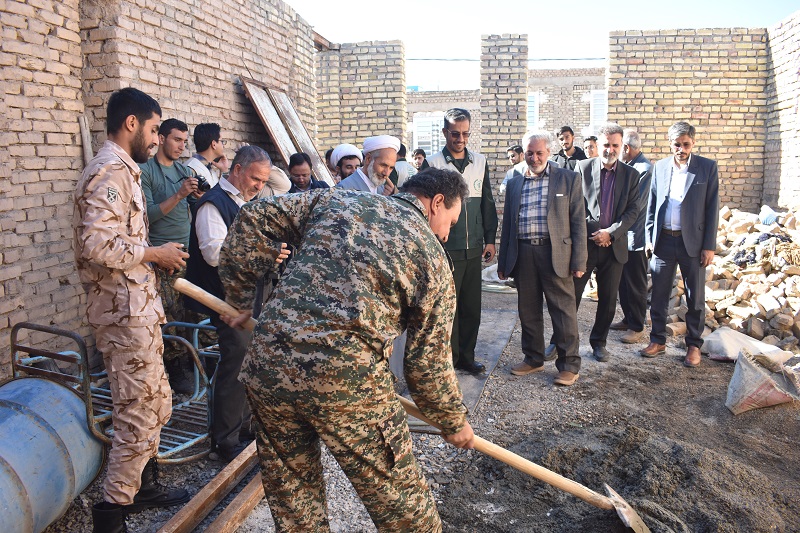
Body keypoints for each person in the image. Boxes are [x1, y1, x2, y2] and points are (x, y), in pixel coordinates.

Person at [217, 168, 475, 532]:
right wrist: (452, 420)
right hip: (346, 383)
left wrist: (240, 295)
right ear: (435, 204)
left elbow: (252, 216)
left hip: (269, 367)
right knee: (402, 505)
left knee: (295, 503)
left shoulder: (335, 199)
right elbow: (426, 364)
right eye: (451, 220)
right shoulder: (431, 256)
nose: (446, 233)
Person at [74, 87, 190, 532]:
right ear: (131, 124)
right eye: (155, 129)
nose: (157, 139)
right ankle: (111, 513)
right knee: (138, 410)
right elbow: (97, 243)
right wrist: (153, 254)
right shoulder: (110, 170)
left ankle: (141, 486)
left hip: (137, 312)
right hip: (122, 317)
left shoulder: (125, 170)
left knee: (156, 403)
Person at [185, 145, 273, 461]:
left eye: (263, 181)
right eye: (255, 178)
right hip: (227, 303)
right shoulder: (213, 204)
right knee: (235, 367)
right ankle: (225, 440)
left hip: (250, 299)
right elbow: (213, 255)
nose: (259, 186)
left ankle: (246, 429)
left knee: (252, 366)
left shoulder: (248, 204)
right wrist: (264, 253)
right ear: (236, 170)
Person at [497, 131, 586, 386]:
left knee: (563, 310)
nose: (534, 158)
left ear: (548, 152)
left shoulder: (567, 179)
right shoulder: (515, 181)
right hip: (524, 253)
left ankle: (569, 364)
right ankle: (533, 357)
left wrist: (579, 261)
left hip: (555, 253)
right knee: (528, 309)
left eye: (539, 153)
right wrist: (504, 263)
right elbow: (509, 225)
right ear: (523, 153)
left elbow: (578, 221)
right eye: (529, 153)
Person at [426, 108, 498, 375]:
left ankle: (467, 356)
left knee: (471, 307)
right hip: (446, 248)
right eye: (455, 134)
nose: (460, 139)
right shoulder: (432, 163)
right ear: (445, 132)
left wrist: (490, 240)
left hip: (473, 248)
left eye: (465, 134)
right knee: (448, 308)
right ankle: (449, 359)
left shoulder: (480, 161)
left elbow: (487, 203)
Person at [642, 121, 719, 367]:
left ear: (693, 143)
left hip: (693, 245)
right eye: (677, 144)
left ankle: (694, 345)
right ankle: (657, 340)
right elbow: (651, 204)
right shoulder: (661, 167)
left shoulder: (706, 168)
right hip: (663, 240)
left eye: (686, 144)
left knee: (695, 297)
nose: (681, 149)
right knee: (659, 294)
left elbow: (712, 209)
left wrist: (709, 246)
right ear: (670, 143)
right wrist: (648, 237)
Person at [566, 123, 640, 362]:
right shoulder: (582, 167)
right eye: (606, 144)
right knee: (571, 297)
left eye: (615, 145)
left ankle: (599, 343)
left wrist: (611, 233)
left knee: (608, 300)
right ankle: (562, 343)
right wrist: (597, 232)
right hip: (586, 245)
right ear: (598, 144)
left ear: (622, 146)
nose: (610, 149)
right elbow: (575, 205)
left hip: (614, 247)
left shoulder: (631, 175)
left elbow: (632, 211)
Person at [139, 118, 200, 394]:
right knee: (170, 317)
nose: (181, 146)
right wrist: (179, 194)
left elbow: (195, 208)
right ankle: (176, 371)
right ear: (161, 138)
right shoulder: (146, 171)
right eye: (177, 139)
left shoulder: (183, 170)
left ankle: (196, 363)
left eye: (185, 141)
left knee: (192, 313)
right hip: (162, 256)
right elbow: (148, 216)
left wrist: (197, 196)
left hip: (187, 253)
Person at [610, 128, 653, 344]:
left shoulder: (644, 169)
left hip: (635, 236)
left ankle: (637, 326)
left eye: (619, 148)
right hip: (622, 236)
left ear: (626, 148)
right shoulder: (630, 167)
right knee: (623, 282)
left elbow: (636, 206)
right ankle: (628, 318)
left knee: (635, 282)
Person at [186, 123, 229, 189]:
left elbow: (221, 195)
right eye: (222, 141)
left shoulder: (209, 168)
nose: (223, 145)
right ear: (214, 144)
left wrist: (224, 170)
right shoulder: (191, 169)